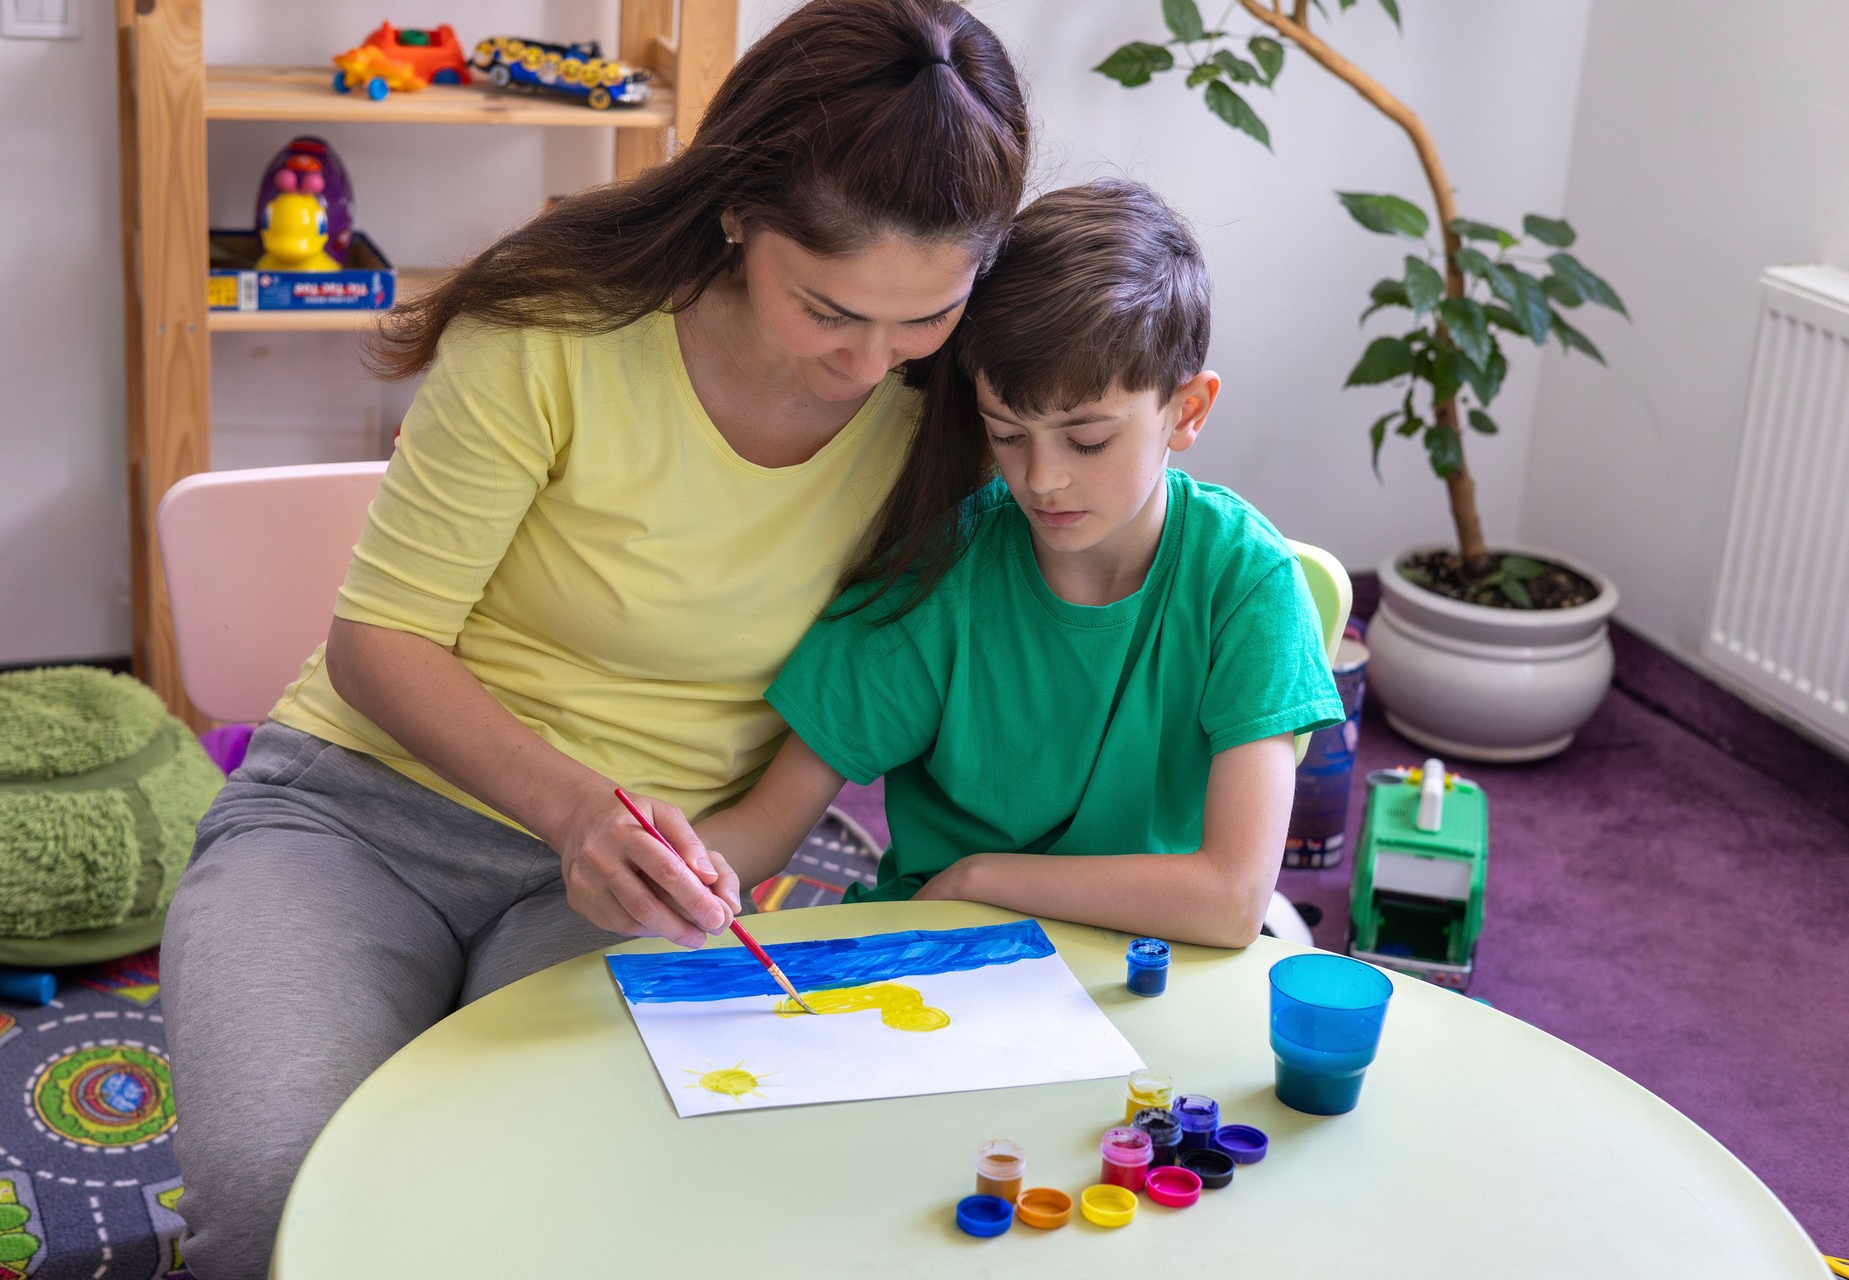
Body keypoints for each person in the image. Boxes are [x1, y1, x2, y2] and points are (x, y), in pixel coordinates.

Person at [159, 2, 1029, 1274]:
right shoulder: (559, 322)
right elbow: (378, 642)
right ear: (740, 211)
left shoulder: (949, 408)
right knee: (284, 1197)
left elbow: (866, 696)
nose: (871, 360)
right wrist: (577, 812)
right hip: (357, 810)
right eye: (829, 308)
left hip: (653, 881)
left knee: (558, 1208)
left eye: (926, 316)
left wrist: (693, 858)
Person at [696, 180, 1345, 946]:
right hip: (944, 953)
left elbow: (1233, 899)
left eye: (1088, 440)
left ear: (1188, 410)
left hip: (1150, 958)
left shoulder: (1247, 583)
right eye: (1006, 433)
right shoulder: (946, 574)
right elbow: (768, 824)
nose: (1041, 479)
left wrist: (984, 879)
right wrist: (681, 866)